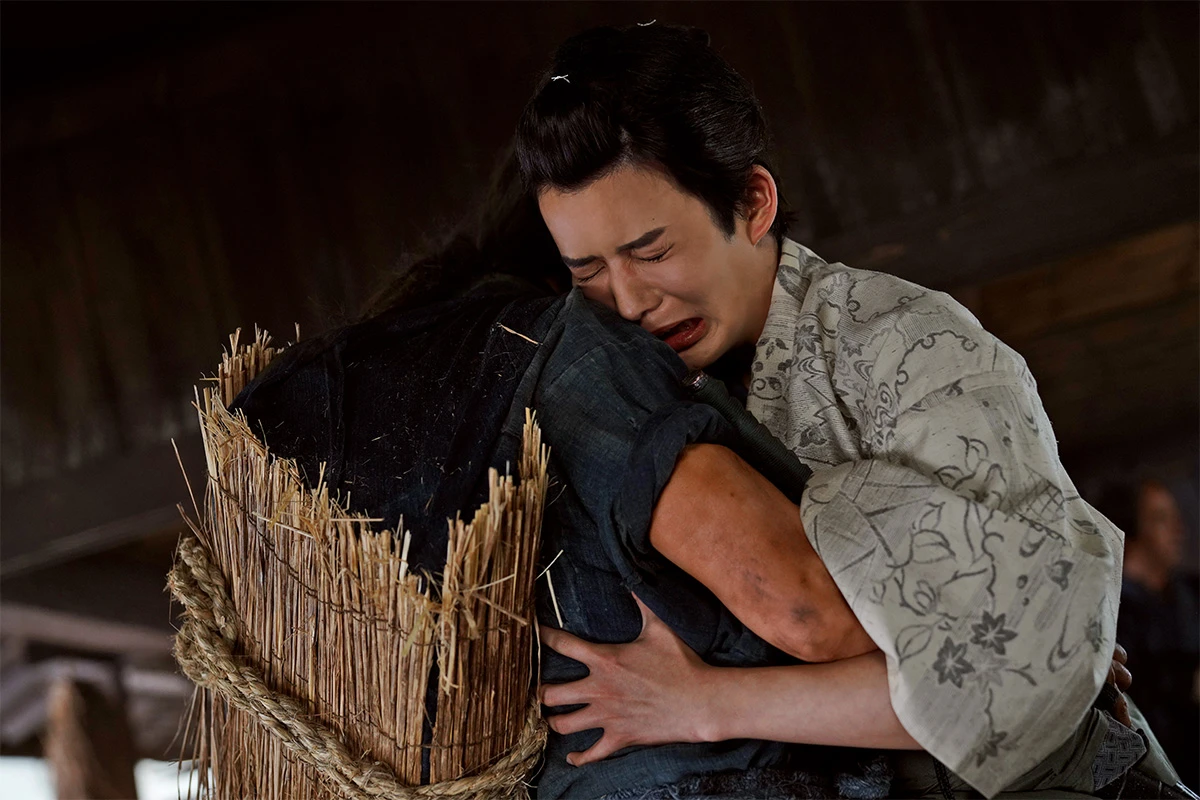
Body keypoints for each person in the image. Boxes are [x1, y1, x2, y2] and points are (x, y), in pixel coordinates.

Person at [512, 21, 1192, 799]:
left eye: (653, 252)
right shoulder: (652, 392)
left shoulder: (909, 343)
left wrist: (700, 704)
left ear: (753, 202)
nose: (630, 299)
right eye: (589, 272)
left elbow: (1006, 687)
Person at [1098, 479, 1199, 789]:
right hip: (1158, 768)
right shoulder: (1112, 607)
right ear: (1133, 529)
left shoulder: (1189, 593)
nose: (1178, 530)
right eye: (1160, 519)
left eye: (1176, 518)